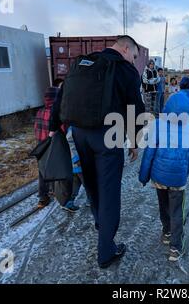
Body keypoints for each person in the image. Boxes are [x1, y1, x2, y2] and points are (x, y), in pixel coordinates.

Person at [50, 35, 145, 269]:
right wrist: (133, 140)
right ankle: (106, 251)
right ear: (125, 48)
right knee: (109, 190)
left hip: (80, 134)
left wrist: (54, 128)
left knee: (91, 183)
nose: (133, 61)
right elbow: (135, 108)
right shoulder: (124, 70)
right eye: (133, 56)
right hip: (108, 136)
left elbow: (61, 95)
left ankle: (100, 223)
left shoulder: (84, 63)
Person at [139, 77, 189, 262]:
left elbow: (149, 153)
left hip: (159, 177)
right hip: (178, 179)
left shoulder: (157, 125)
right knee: (177, 211)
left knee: (163, 205)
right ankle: (175, 248)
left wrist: (143, 176)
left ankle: (166, 233)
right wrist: (184, 175)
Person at [34, 79, 63, 208]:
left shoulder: (39, 112)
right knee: (56, 170)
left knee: (42, 172)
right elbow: (61, 130)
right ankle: (56, 192)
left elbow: (36, 129)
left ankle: (43, 198)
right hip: (53, 147)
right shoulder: (57, 113)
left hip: (41, 146)